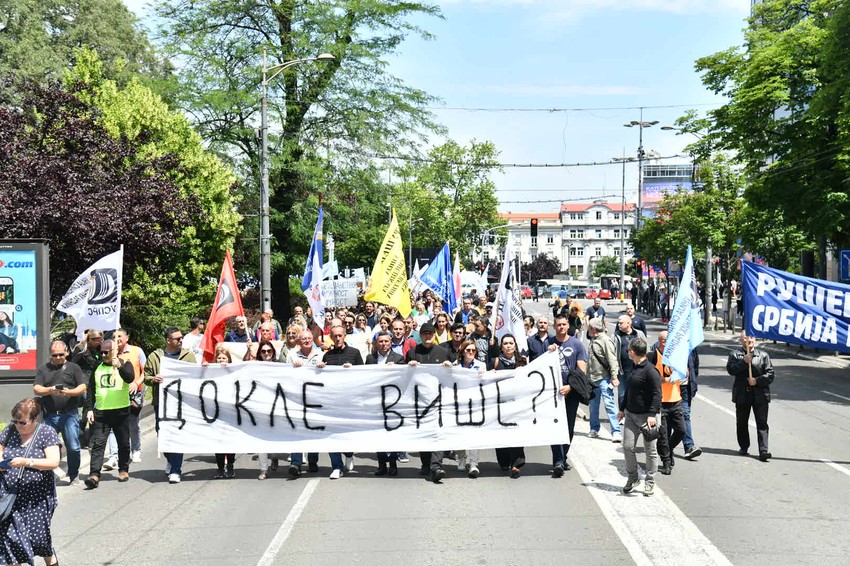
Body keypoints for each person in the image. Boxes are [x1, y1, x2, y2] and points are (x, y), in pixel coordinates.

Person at [291, 326, 363, 479]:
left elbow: (363, 375)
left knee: (347, 433)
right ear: (331, 337)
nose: (337, 338)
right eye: (334, 336)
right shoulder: (326, 356)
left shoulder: (354, 353)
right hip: (329, 401)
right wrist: (321, 367)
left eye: (340, 336)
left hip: (348, 400)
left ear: (344, 336)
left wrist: (353, 370)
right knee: (332, 433)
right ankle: (337, 466)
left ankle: (349, 454)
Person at [0, 399, 61, 566]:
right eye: (15, 421)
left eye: (23, 422)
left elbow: (53, 462)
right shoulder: (10, 431)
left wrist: (26, 462)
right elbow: (0, 447)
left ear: (35, 419)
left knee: (39, 539)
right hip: (10, 495)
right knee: (11, 538)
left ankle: (51, 561)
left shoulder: (46, 433)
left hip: (37, 498)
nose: (18, 425)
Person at [144, 326, 197, 484]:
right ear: (168, 341)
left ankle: (176, 469)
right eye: (177, 338)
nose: (181, 340)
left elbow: (196, 375)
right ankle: (171, 458)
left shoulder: (188, 356)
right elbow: (146, 376)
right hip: (162, 403)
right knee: (163, 435)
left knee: (177, 435)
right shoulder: (155, 357)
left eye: (181, 338)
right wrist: (153, 379)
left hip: (182, 404)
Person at [33, 341, 86, 486]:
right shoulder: (43, 369)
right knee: (47, 447)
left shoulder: (74, 368)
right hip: (50, 414)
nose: (57, 357)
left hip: (69, 414)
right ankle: (49, 474)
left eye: (60, 354)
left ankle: (74, 474)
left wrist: (69, 392)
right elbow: (37, 388)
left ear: (66, 353)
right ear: (50, 355)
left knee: (73, 446)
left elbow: (82, 387)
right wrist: (50, 390)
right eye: (54, 355)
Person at [83, 340, 136, 488]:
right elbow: (91, 390)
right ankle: (94, 474)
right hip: (102, 412)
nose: (104, 355)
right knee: (98, 444)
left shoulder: (125, 364)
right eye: (102, 352)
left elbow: (130, 378)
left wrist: (119, 367)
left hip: (121, 411)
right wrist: (89, 409)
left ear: (115, 351)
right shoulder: (97, 367)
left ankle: (123, 469)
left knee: (123, 443)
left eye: (107, 352)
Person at [405, 321, 453, 482]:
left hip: (439, 401)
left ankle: (436, 466)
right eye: (425, 333)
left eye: (430, 333)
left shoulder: (443, 352)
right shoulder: (413, 352)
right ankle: (426, 464)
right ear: (421, 335)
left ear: (434, 335)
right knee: (423, 434)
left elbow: (454, 374)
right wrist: (408, 366)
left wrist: (449, 366)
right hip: (419, 401)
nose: (428, 336)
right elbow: (403, 376)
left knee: (437, 433)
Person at [618, 337, 662, 496]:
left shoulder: (651, 371)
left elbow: (657, 394)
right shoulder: (633, 367)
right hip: (630, 415)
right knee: (628, 447)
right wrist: (622, 409)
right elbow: (629, 390)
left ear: (633, 352)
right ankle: (633, 477)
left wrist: (652, 414)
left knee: (650, 451)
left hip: (647, 418)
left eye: (629, 350)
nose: (628, 352)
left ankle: (650, 481)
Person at [548, 314, 588, 477]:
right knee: (554, 427)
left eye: (564, 325)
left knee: (568, 427)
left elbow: (581, 370)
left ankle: (563, 456)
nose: (561, 328)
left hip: (571, 393)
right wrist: (548, 353)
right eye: (558, 325)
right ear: (554, 326)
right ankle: (558, 460)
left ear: (568, 325)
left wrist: (570, 386)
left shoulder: (577, 344)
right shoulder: (548, 343)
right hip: (552, 394)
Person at [727, 331, 774, 461]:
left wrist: (757, 381)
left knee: (762, 422)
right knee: (742, 422)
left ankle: (763, 450)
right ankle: (744, 446)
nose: (749, 340)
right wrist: (743, 362)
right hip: (742, 394)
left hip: (760, 395)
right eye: (746, 338)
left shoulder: (763, 355)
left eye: (752, 337)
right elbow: (731, 370)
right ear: (741, 340)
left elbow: (770, 374)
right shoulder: (735, 355)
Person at [365, 331, 404, 476]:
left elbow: (404, 378)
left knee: (393, 433)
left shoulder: (399, 358)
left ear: (390, 342)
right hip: (376, 400)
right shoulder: (370, 358)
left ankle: (393, 463)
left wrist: (396, 369)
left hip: (393, 401)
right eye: (380, 342)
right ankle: (381, 464)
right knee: (378, 434)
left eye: (386, 341)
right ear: (376, 343)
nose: (383, 344)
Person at [648, 331, 687, 476]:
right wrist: (664, 380)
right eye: (664, 341)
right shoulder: (652, 356)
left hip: (675, 399)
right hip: (661, 401)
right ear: (659, 342)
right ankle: (666, 462)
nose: (666, 343)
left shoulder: (676, 356)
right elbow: (649, 377)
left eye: (668, 341)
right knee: (663, 434)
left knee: (681, 430)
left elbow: (686, 373)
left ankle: (668, 450)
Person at [491, 334, 527, 479]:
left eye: (511, 343)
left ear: (515, 345)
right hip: (500, 404)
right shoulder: (495, 362)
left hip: (517, 404)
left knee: (517, 433)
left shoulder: (522, 361)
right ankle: (504, 461)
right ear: (501, 346)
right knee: (501, 433)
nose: (508, 346)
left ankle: (516, 464)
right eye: (505, 343)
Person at [454, 339, 486, 478]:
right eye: (468, 350)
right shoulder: (455, 366)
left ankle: (473, 464)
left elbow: (486, 383)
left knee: (474, 434)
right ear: (463, 351)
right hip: (458, 403)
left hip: (475, 404)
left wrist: (483, 377)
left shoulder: (481, 365)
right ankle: (461, 457)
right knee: (459, 432)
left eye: (474, 350)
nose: (471, 352)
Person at [586, 318, 622, 442]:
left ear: (593, 329)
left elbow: (612, 360)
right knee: (593, 406)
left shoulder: (605, 340)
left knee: (609, 404)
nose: (588, 330)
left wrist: (614, 377)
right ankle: (594, 428)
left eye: (589, 328)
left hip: (604, 378)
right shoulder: (594, 339)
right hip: (592, 378)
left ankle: (616, 431)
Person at [204, 345, 237, 479]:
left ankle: (230, 465)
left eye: (224, 358)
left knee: (229, 440)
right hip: (215, 412)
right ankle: (219, 468)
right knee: (217, 440)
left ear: (228, 360)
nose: (221, 361)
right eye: (219, 358)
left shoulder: (234, 372)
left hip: (230, 412)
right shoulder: (211, 372)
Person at [614, 315, 647, 405]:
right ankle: (622, 416)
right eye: (618, 323)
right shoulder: (616, 336)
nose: (619, 325)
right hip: (622, 371)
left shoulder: (639, 334)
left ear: (628, 323)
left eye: (621, 323)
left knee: (637, 393)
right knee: (622, 395)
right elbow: (613, 353)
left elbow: (646, 350)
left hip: (638, 370)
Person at [680, 348, 702, 460]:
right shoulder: (663, 345)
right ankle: (666, 448)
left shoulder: (691, 348)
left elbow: (695, 366)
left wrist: (693, 382)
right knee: (668, 420)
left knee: (685, 415)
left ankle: (689, 447)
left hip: (685, 388)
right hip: (668, 387)